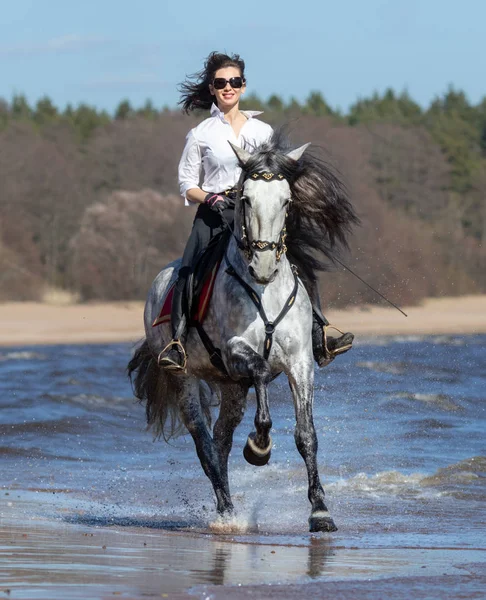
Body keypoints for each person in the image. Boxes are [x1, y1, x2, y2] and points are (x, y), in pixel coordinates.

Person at [158, 51, 353, 371]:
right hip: (216, 209)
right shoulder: (200, 135)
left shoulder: (263, 132)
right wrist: (209, 199)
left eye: (234, 81)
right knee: (189, 268)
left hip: (259, 209)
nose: (228, 87)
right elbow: (187, 184)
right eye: (221, 83)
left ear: (243, 86)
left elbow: (279, 173)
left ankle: (320, 335)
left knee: (297, 259)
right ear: (212, 89)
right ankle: (178, 343)